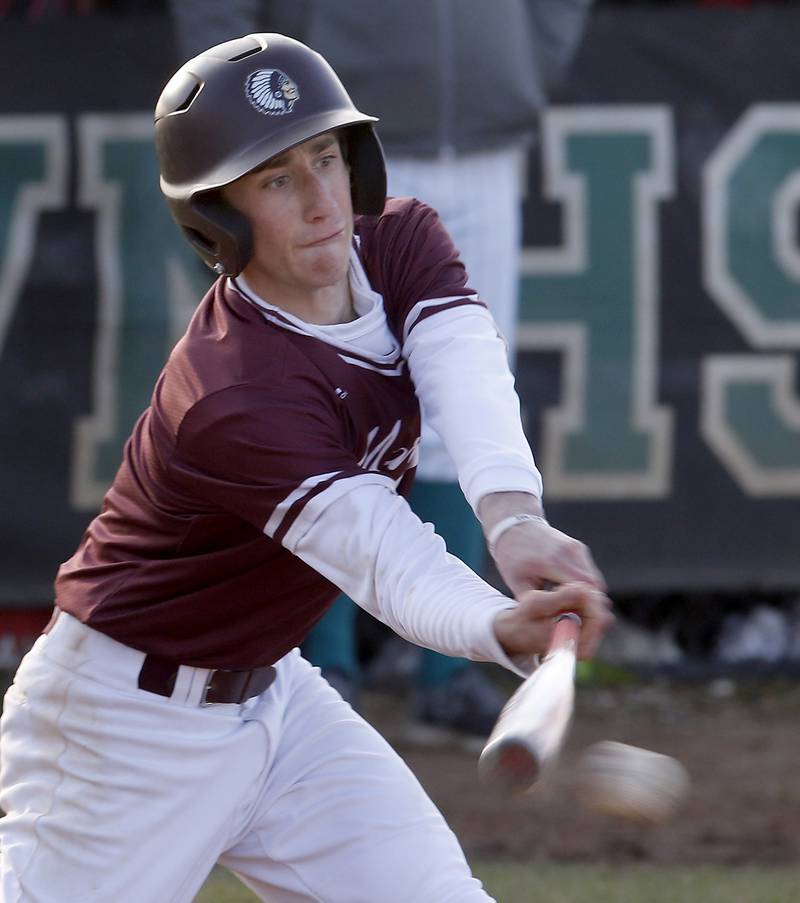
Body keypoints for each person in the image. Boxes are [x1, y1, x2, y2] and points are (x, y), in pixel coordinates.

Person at [0, 34, 612, 902]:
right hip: (121, 731)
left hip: (275, 698)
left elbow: (465, 370)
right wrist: (496, 625)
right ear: (218, 217)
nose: (323, 200)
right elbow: (379, 553)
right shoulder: (230, 393)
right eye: (277, 180)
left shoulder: (399, 242)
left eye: (325, 158)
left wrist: (515, 524)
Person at [169, 0, 598, 738]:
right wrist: (237, 130)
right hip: (331, 132)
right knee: (314, 422)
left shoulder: (411, 233)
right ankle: (327, 667)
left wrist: (525, 65)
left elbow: (467, 369)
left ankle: (448, 678)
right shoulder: (225, 380)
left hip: (485, 130)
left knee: (464, 387)